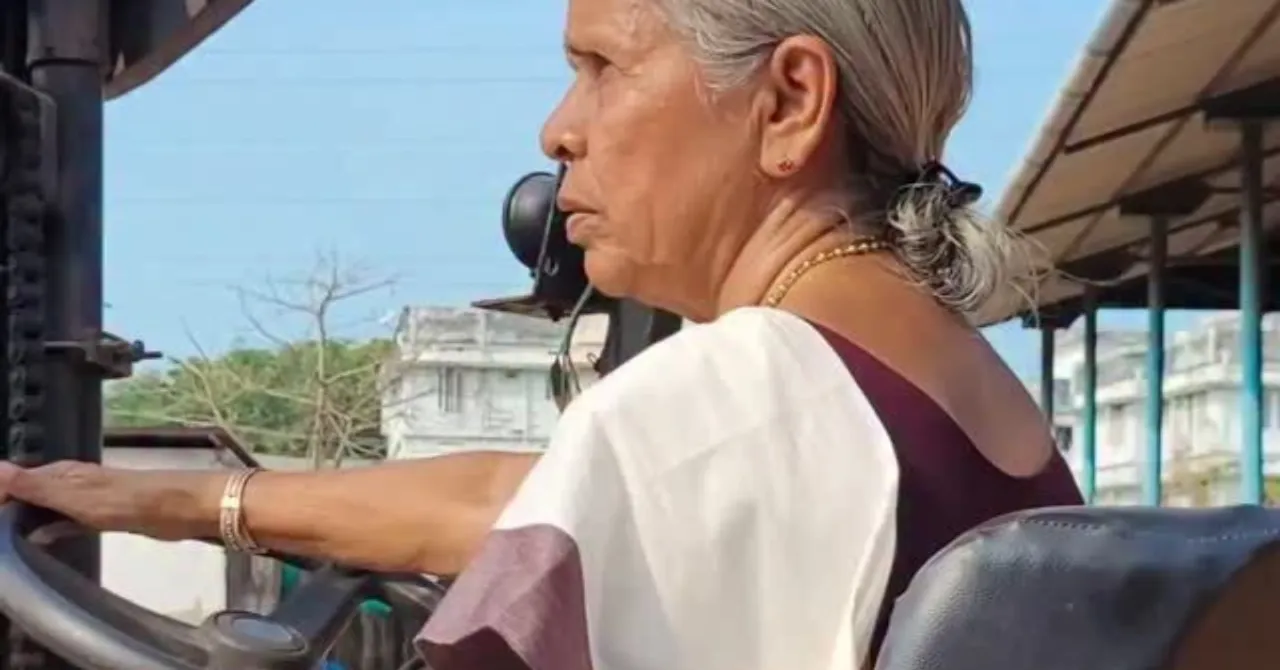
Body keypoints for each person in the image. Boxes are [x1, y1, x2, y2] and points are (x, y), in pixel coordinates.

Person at [0, 0, 1083, 668]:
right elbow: (521, 498)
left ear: (790, 101)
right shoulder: (956, 395)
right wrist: (188, 501)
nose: (557, 128)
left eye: (600, 66)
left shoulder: (734, 391)